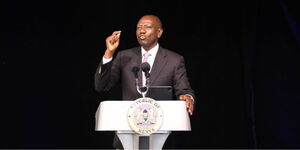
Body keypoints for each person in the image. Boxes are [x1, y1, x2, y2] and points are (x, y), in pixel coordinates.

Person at [94, 14, 195, 149]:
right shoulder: (124, 56)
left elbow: (184, 90)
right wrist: (108, 54)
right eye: (138, 27)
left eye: (147, 27)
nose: (141, 31)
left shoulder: (174, 60)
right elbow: (101, 86)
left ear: (159, 32)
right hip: (127, 134)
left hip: (160, 135)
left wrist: (187, 98)